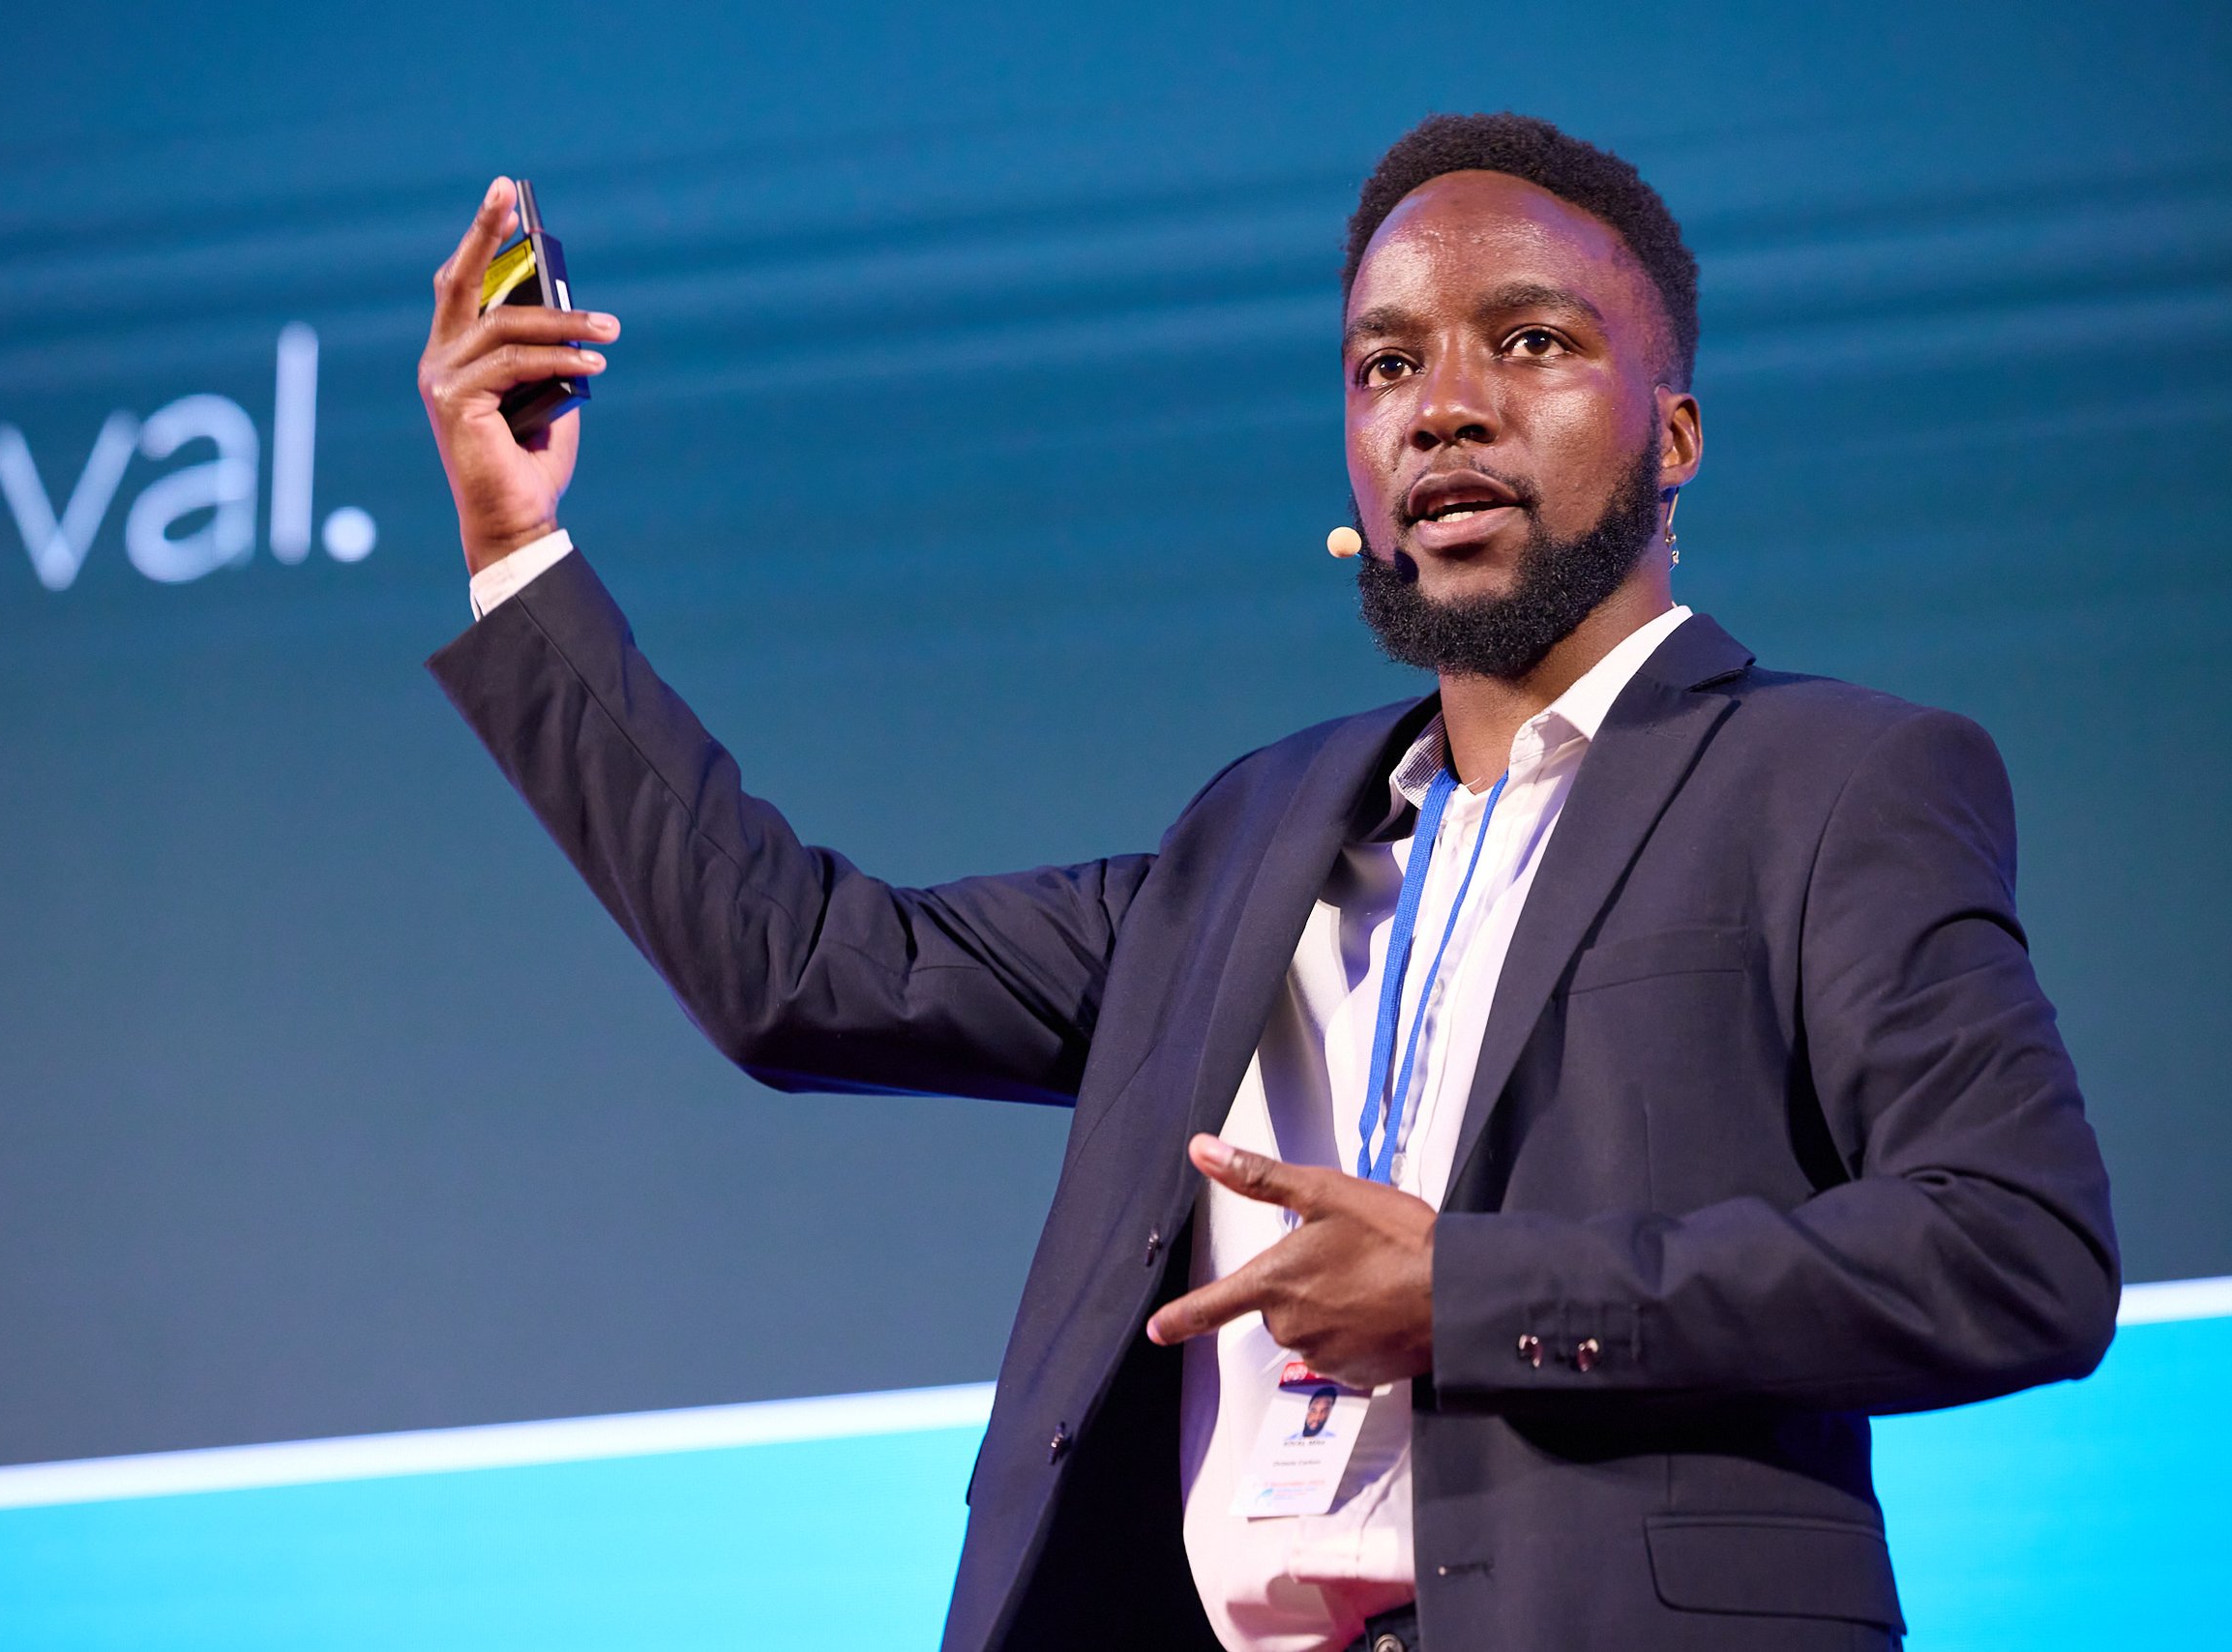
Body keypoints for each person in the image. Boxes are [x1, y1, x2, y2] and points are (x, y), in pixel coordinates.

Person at [417, 113, 2117, 1652]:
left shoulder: (1831, 781)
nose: (1443, 405)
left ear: (1673, 435)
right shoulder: (1251, 842)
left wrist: (1471, 1295)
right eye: (1386, 365)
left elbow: (2015, 1246)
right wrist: (514, 542)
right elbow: (794, 965)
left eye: (1530, 342)